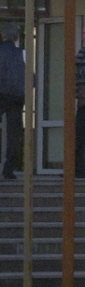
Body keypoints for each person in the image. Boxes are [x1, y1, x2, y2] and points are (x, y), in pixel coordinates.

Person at [0, 23, 25, 180]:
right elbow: (32, 78)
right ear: (17, 37)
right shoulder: (22, 54)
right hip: (16, 97)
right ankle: (9, 170)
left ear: (2, 36)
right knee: (14, 134)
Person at [75, 24, 85, 178]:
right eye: (84, 33)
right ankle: (78, 167)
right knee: (80, 135)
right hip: (83, 100)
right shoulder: (83, 52)